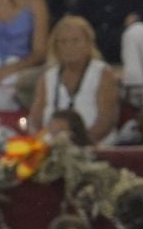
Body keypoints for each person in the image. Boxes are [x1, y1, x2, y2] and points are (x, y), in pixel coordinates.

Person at [34, 16, 120, 145]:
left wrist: (80, 144)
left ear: (88, 43)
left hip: (94, 147)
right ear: (55, 46)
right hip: (51, 148)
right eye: (63, 42)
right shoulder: (48, 77)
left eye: (75, 41)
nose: (69, 47)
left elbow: (106, 121)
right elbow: (35, 120)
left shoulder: (102, 73)